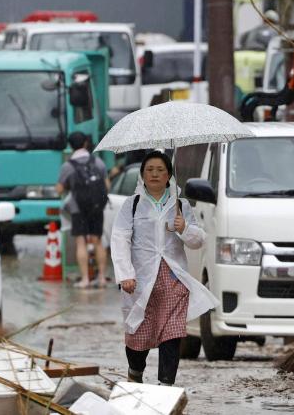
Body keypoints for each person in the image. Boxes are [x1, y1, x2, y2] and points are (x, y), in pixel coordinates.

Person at [111, 151, 217, 386]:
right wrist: (125, 275)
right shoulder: (133, 205)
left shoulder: (181, 205)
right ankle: (135, 373)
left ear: (169, 174)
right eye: (150, 170)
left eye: (160, 170)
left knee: (172, 334)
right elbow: (120, 239)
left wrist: (185, 227)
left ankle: (166, 386)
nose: (155, 174)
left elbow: (198, 240)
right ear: (142, 175)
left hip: (173, 279)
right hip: (140, 281)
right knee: (138, 336)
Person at [57, 131, 110, 289]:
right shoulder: (98, 162)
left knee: (81, 242)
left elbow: (59, 189)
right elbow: (107, 186)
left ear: (70, 145)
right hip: (97, 206)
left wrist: (67, 187)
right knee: (98, 241)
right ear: (86, 143)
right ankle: (101, 278)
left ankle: (85, 279)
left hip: (77, 208)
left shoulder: (67, 166)